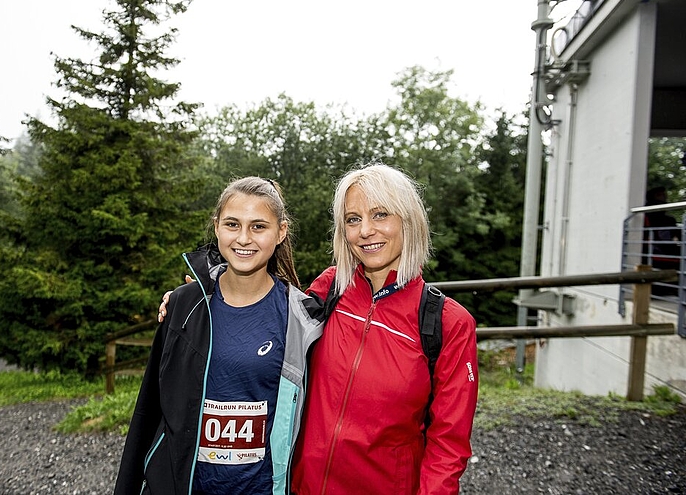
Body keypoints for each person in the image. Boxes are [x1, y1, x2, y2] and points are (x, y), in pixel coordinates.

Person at [158, 164, 479, 494]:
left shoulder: (446, 323)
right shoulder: (331, 288)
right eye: (353, 219)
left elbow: (449, 445)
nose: (366, 230)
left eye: (380, 215)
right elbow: (266, 314)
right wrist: (197, 300)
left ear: (408, 220)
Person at [114, 177, 326, 495]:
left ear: (280, 232)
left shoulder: (303, 320)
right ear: (216, 227)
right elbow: (149, 410)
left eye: (258, 226)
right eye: (232, 224)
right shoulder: (184, 306)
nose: (243, 238)